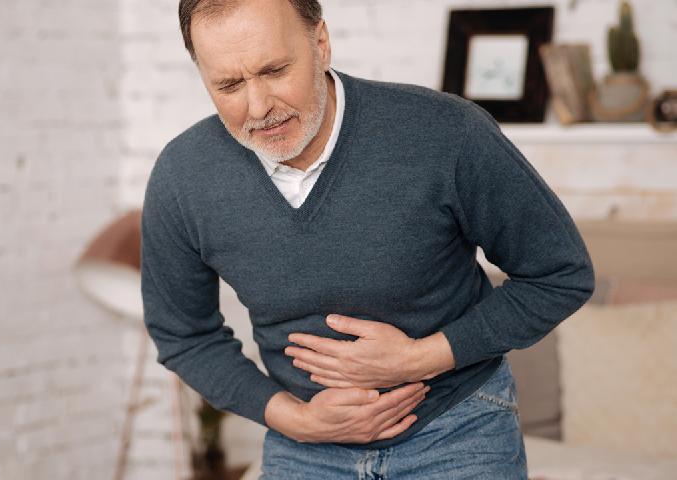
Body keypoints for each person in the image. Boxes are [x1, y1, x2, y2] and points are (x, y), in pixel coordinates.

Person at [139, 0, 595, 478]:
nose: (259, 107)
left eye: (274, 70)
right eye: (229, 85)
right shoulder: (182, 177)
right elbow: (182, 334)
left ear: (320, 44)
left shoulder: (445, 133)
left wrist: (421, 357)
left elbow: (560, 274)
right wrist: (294, 418)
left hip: (458, 426)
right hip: (304, 442)